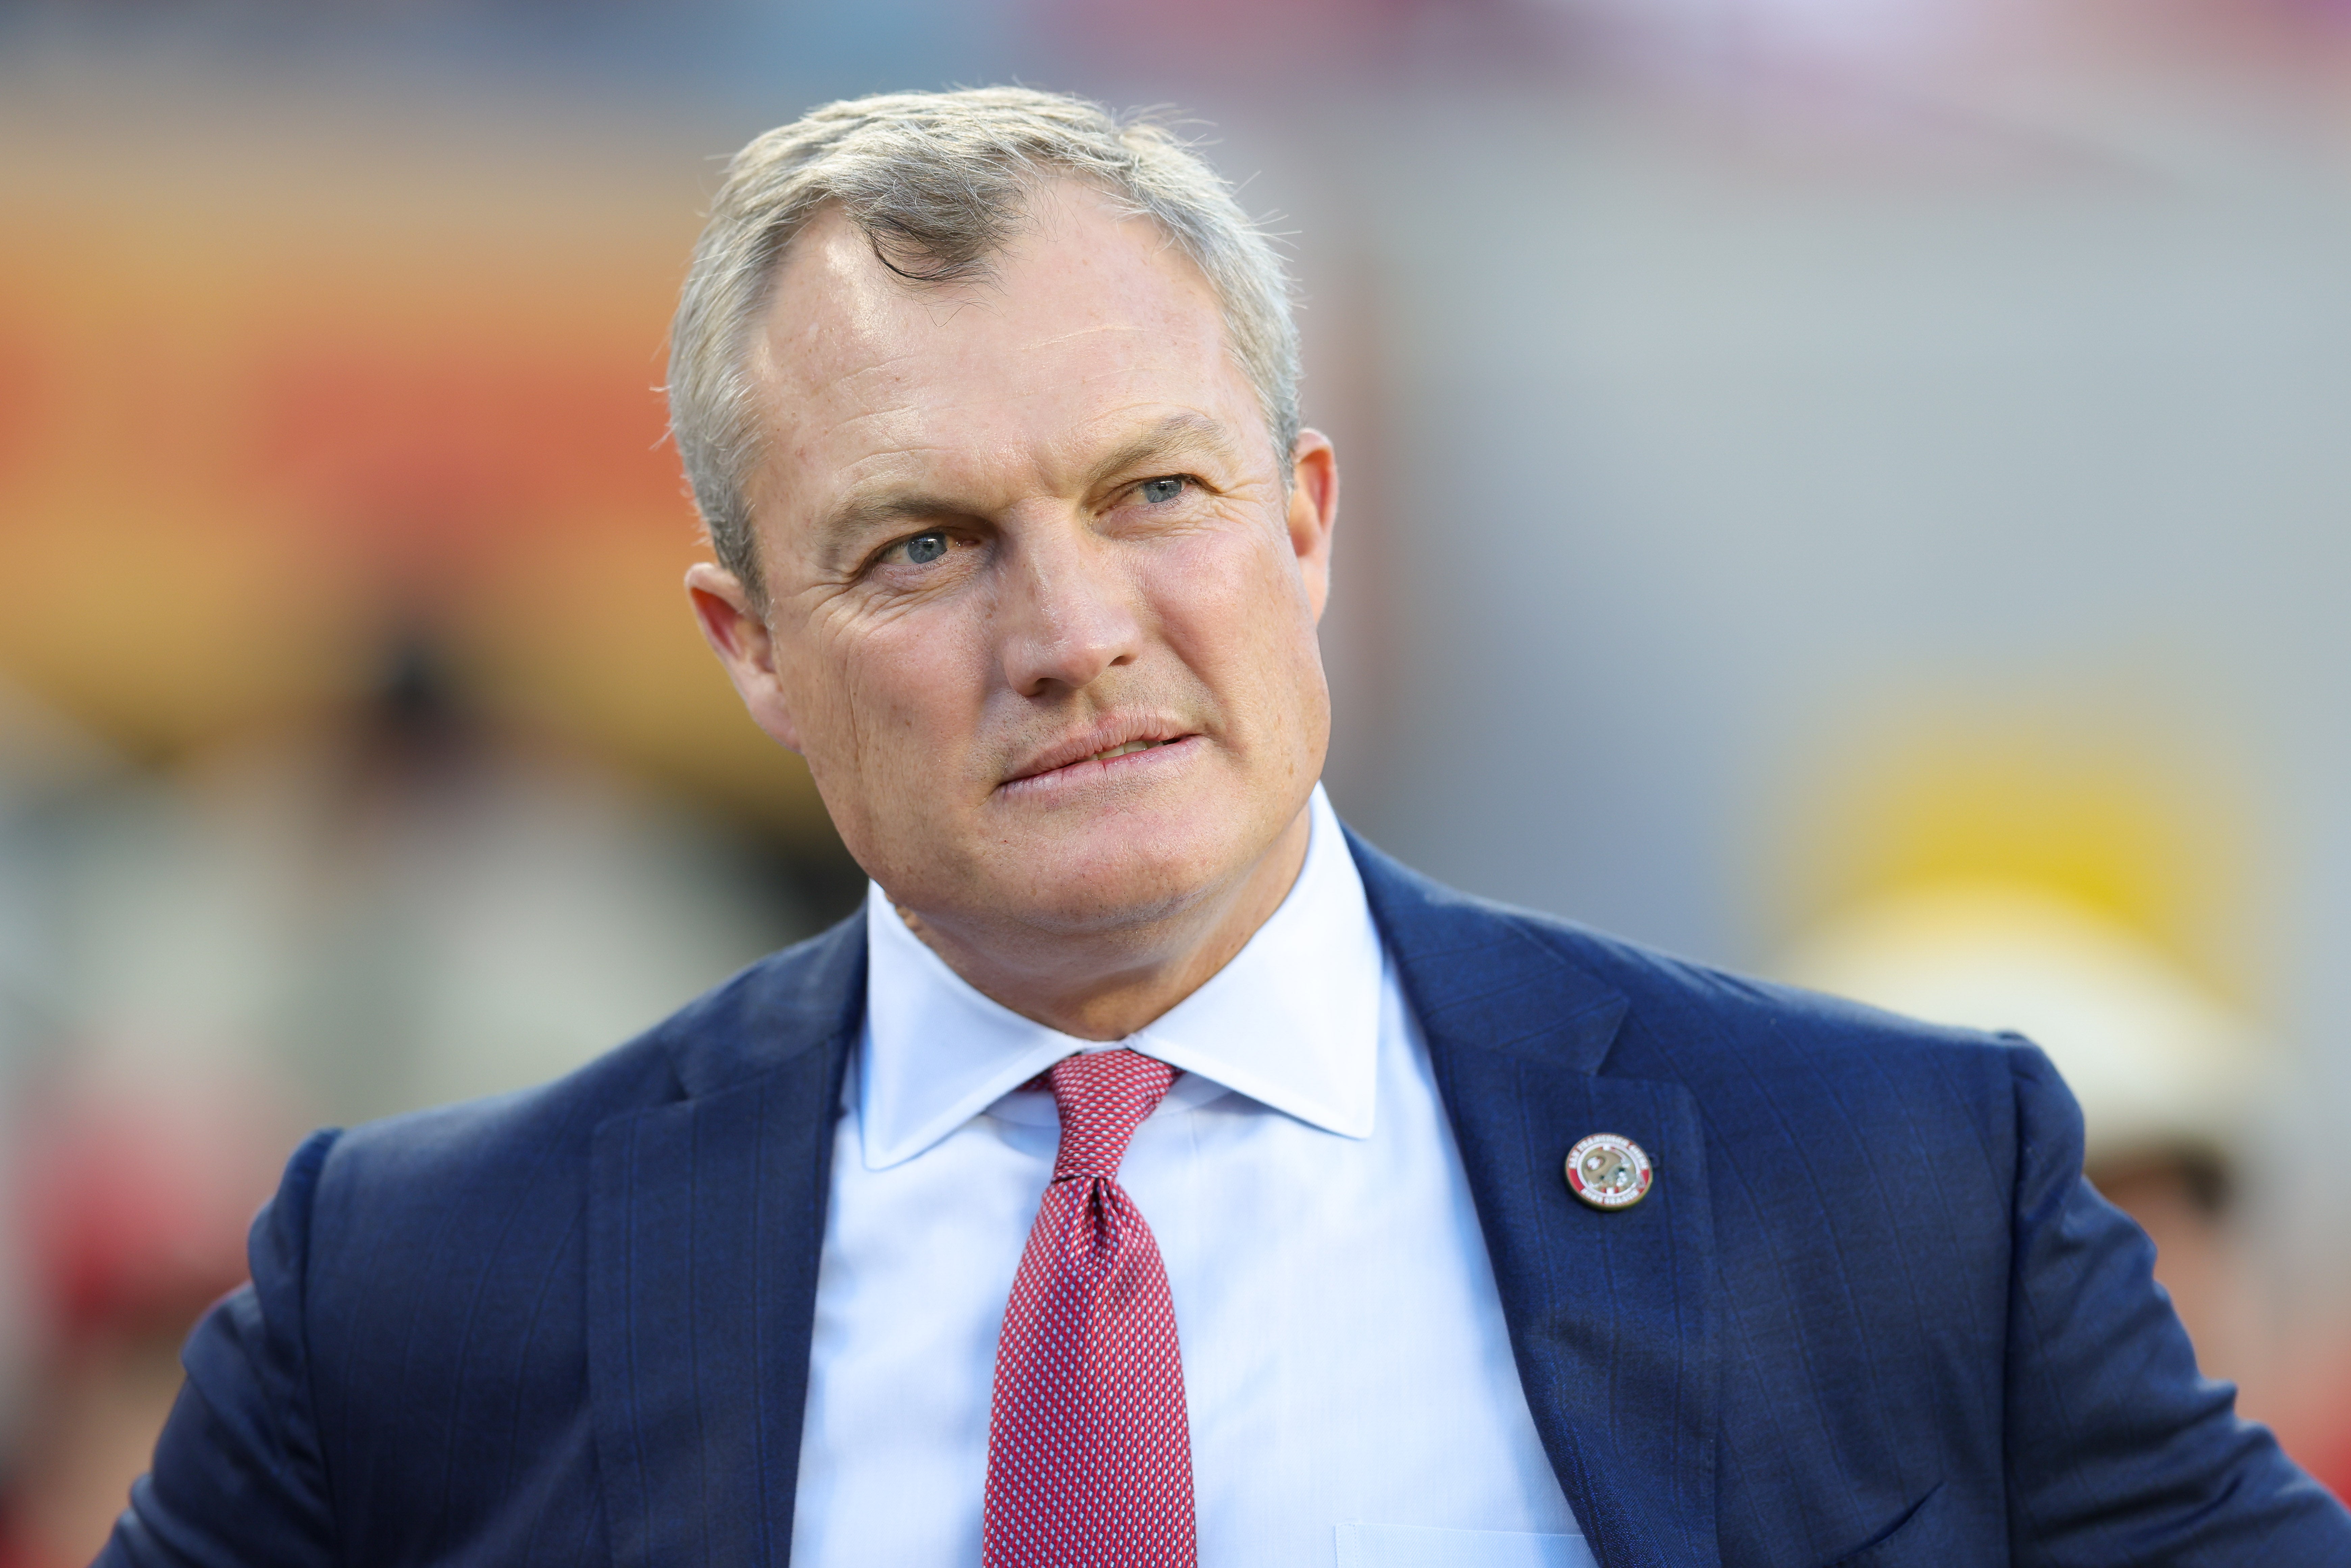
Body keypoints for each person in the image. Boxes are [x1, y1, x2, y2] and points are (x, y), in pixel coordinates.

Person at [98, 87, 2350, 1568]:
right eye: (919, 546)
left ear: (1302, 525)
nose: (1074, 632)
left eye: (1152, 494)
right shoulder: (413, 1292)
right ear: (748, 646)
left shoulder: (1883, 1191)